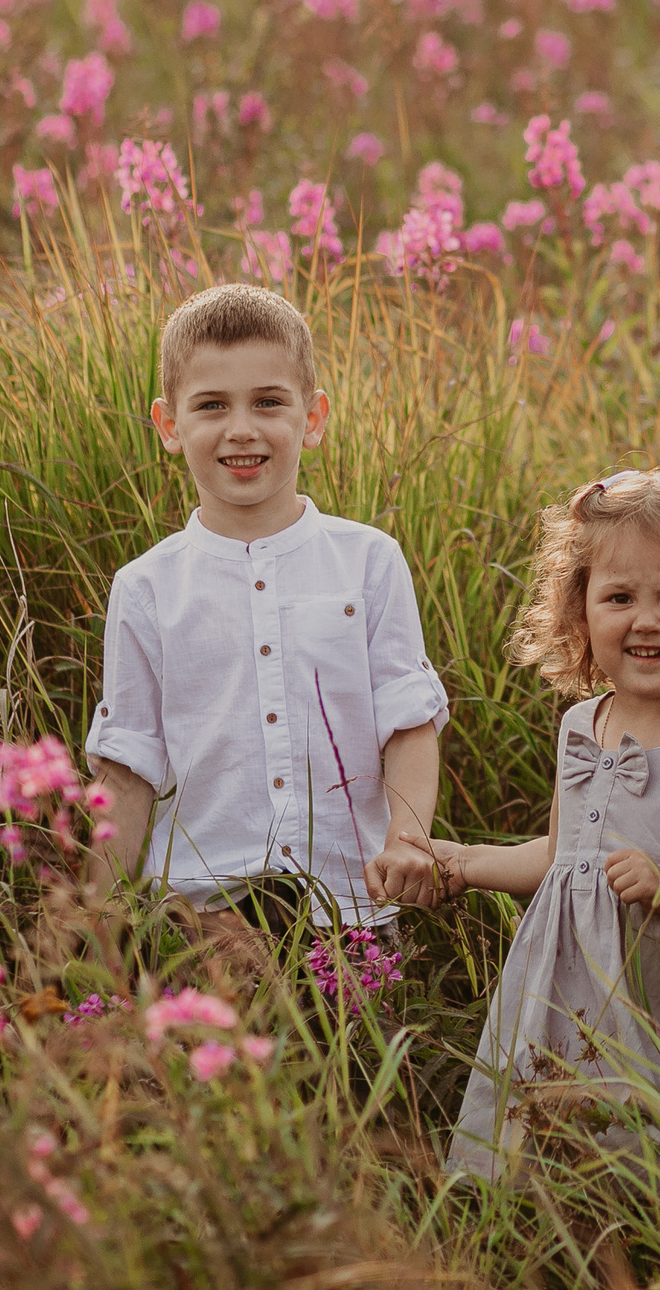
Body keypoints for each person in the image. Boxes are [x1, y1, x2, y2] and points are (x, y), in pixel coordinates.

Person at [436, 468, 660, 1179]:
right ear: (581, 610)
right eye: (619, 597)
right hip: (564, 988)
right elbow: (564, 854)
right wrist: (466, 862)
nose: (646, 619)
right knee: (550, 1140)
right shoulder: (581, 724)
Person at [83, 285, 448, 972]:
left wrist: (408, 838)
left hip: (349, 909)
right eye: (212, 405)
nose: (241, 428)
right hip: (203, 918)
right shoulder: (145, 588)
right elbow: (128, 766)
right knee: (213, 1080)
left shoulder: (368, 561)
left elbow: (407, 721)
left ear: (313, 417)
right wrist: (95, 927)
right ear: (169, 424)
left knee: (355, 1071)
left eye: (269, 402)